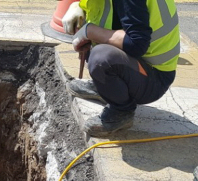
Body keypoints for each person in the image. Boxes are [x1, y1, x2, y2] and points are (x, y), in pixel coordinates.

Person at [62, 0, 180, 137]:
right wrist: (77, 7)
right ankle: (105, 88)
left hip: (153, 79)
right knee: (98, 48)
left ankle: (122, 111)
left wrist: (90, 32)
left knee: (101, 58)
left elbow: (136, 43)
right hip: (140, 66)